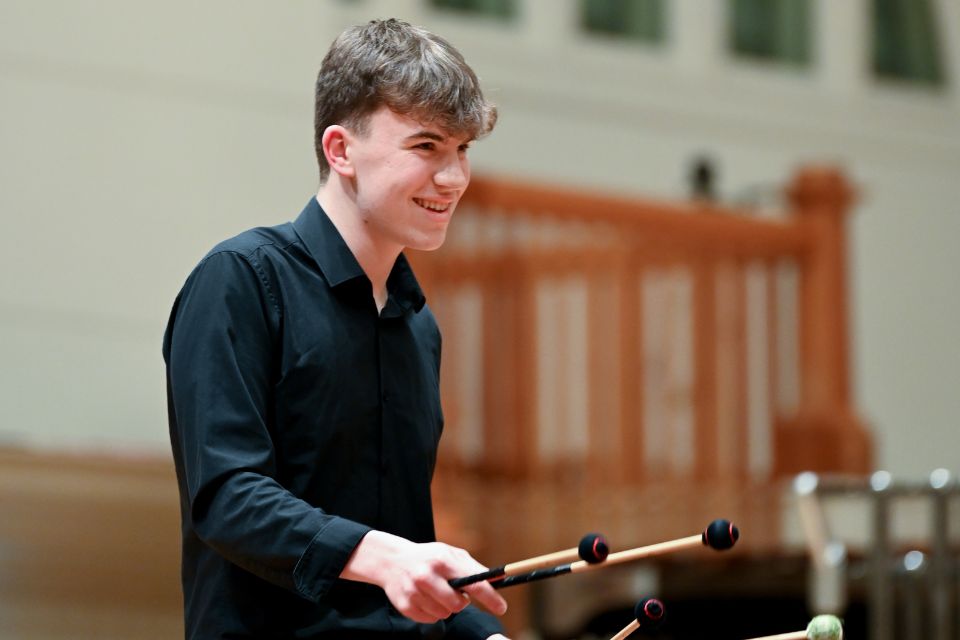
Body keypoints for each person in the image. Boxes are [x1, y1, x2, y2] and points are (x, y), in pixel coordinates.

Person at [162, 18, 510, 639]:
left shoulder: (416, 324)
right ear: (340, 149)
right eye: (426, 146)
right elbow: (227, 496)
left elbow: (404, 566)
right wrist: (387, 556)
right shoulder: (240, 281)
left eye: (462, 149)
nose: (454, 177)